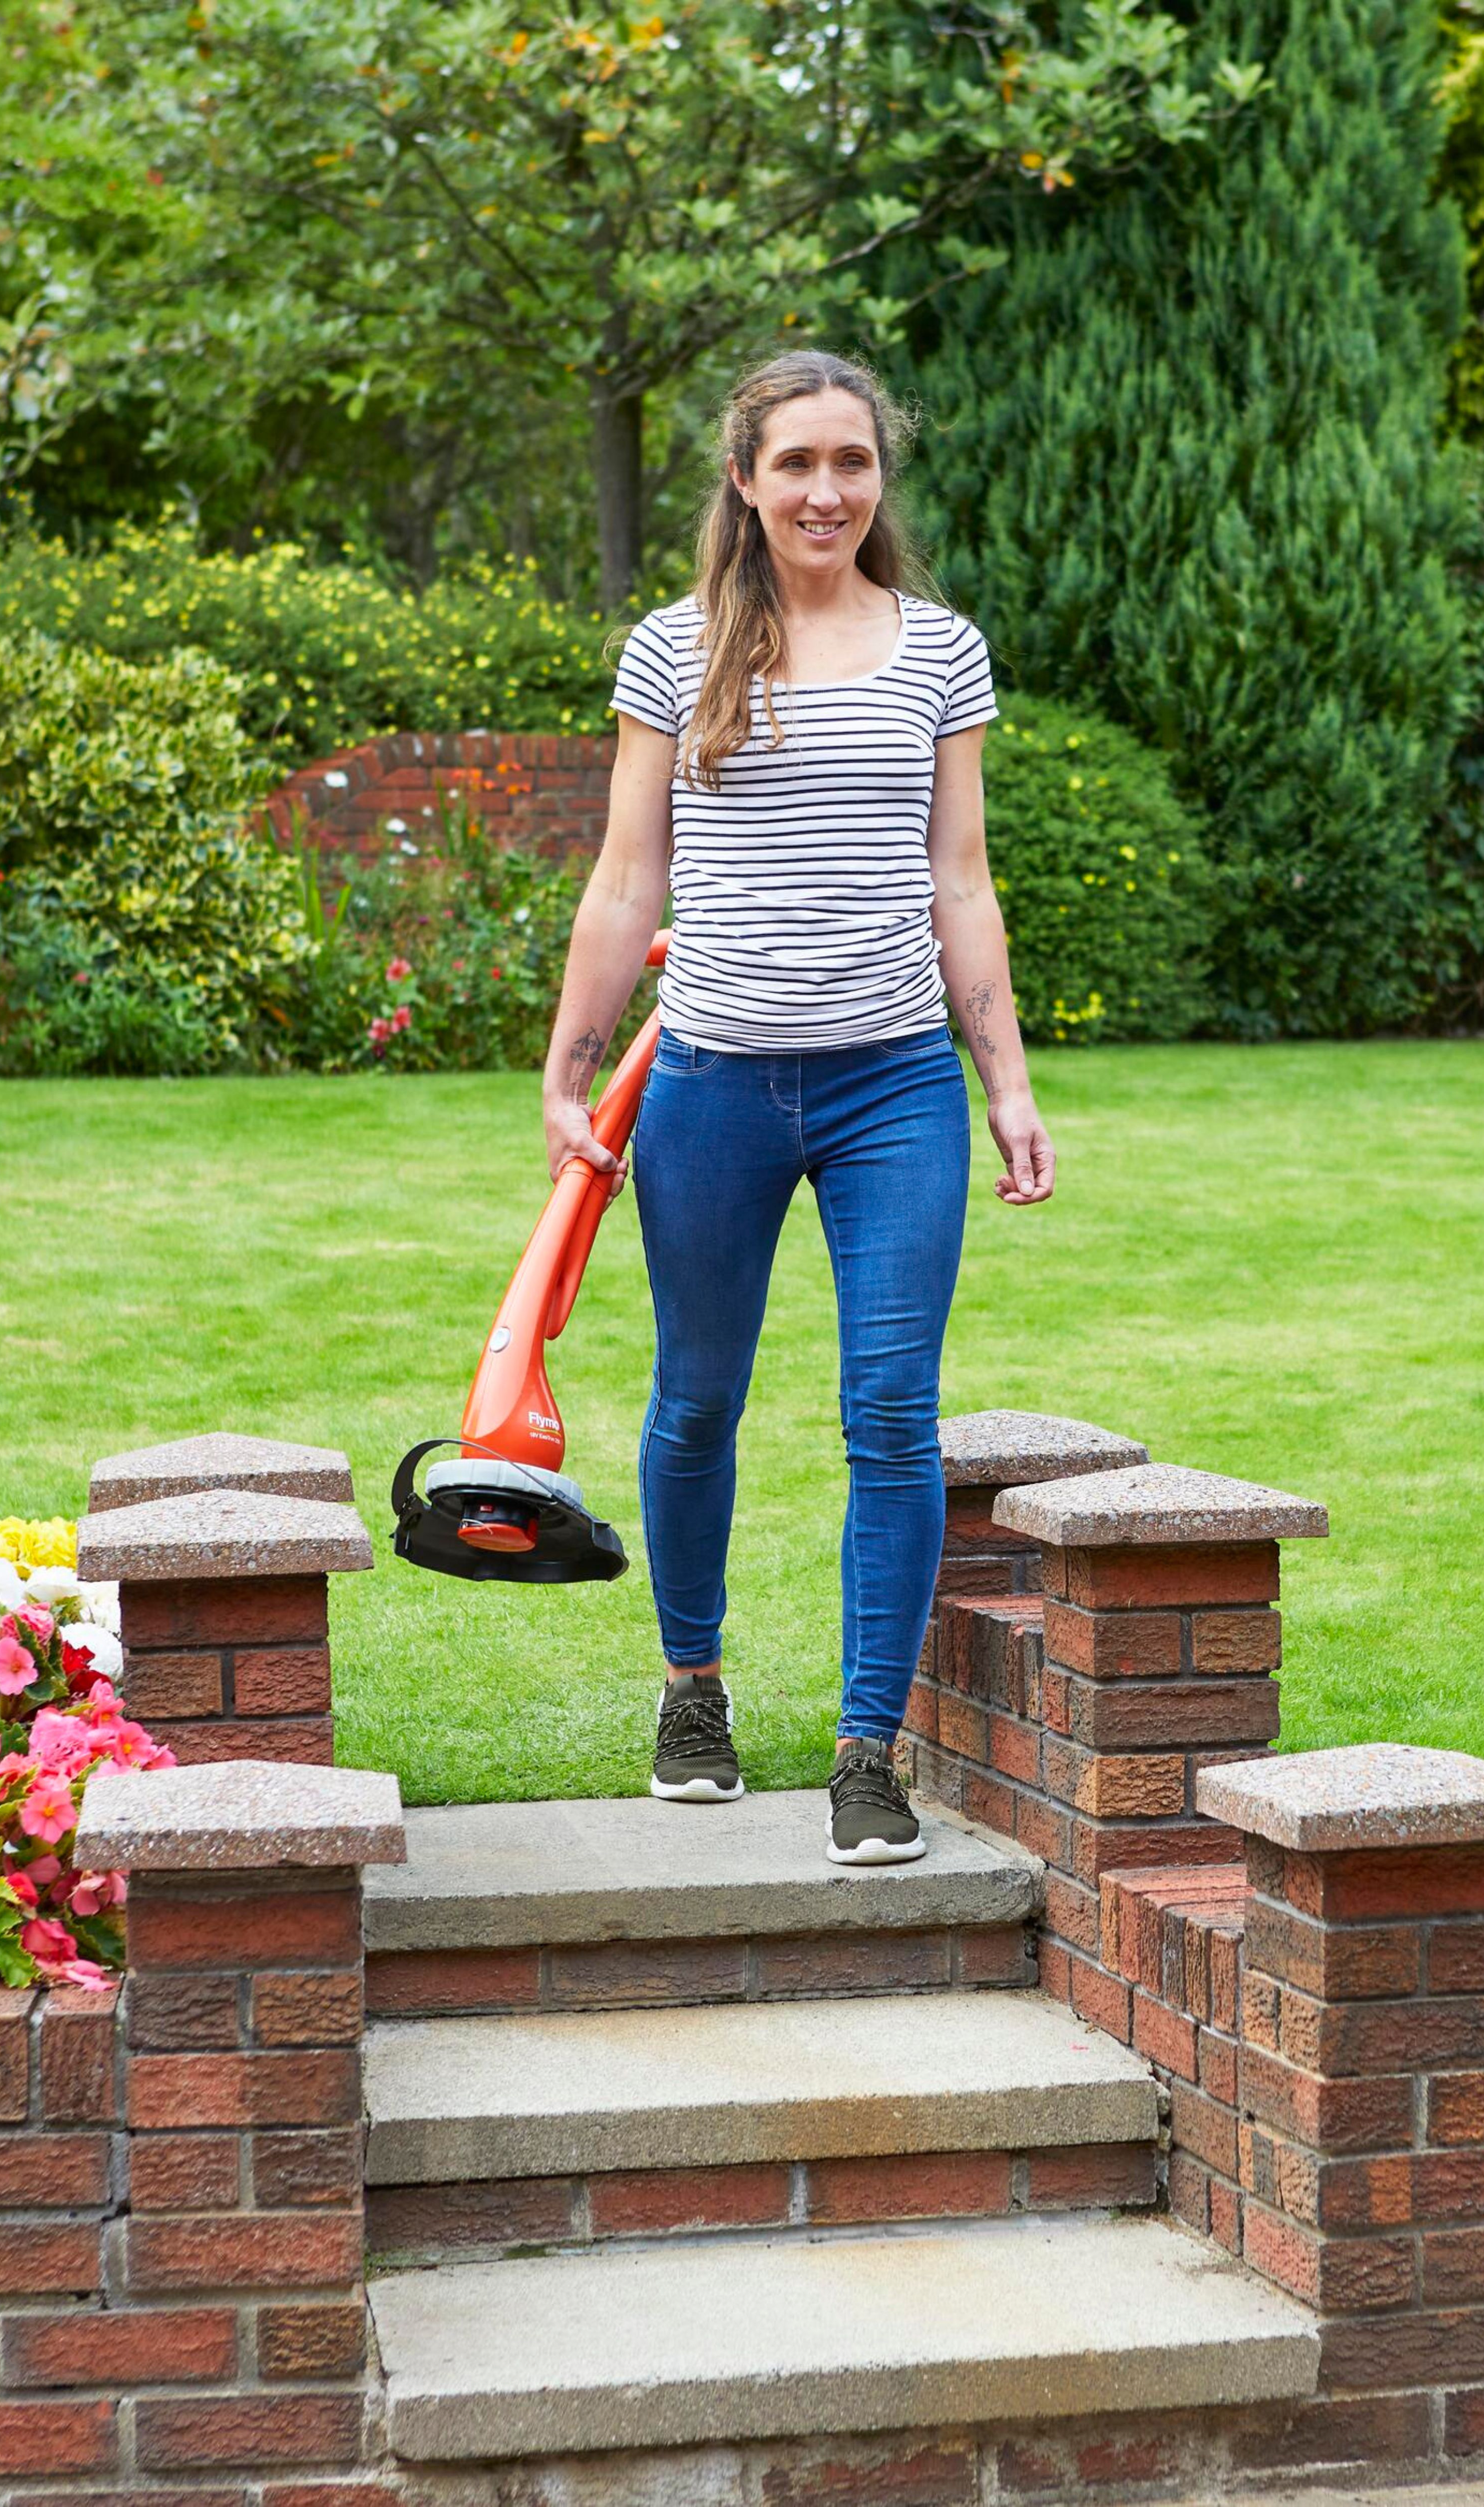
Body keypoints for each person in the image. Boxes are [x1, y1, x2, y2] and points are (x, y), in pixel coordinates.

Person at [538, 350, 1054, 1867]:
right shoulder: (676, 647)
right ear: (745, 481)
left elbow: (962, 879)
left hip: (895, 1082)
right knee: (697, 1397)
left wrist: (1007, 1081)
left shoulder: (939, 651)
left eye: (852, 461)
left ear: (879, 476)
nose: (827, 491)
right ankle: (691, 1688)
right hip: (713, 1083)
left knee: (890, 1411)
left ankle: (865, 1750)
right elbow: (627, 876)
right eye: (797, 464)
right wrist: (571, 1064)